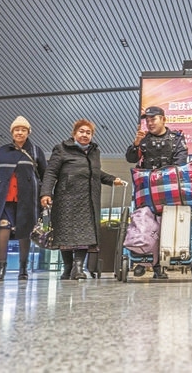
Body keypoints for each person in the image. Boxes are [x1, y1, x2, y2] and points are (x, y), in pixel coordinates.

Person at [40, 119, 126, 280]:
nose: (85, 135)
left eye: (88, 132)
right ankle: (68, 267)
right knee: (65, 233)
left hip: (88, 199)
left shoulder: (94, 152)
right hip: (66, 198)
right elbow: (51, 172)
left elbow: (96, 173)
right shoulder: (61, 149)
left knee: (86, 233)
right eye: (81, 131)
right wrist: (46, 193)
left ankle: (78, 267)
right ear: (74, 133)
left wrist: (112, 179)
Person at [0, 116, 47, 282]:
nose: (19, 132)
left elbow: (45, 176)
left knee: (25, 231)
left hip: (27, 199)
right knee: (3, 229)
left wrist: (46, 195)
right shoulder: (2, 151)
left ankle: (23, 269)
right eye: (17, 130)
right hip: (3, 199)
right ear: (12, 132)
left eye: (23, 130)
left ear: (28, 132)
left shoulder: (36, 151)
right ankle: (1, 269)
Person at [125, 105, 188, 279]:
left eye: (153, 119)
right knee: (143, 221)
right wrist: (135, 144)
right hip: (146, 189)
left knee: (166, 224)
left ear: (163, 119)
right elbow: (131, 158)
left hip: (169, 189)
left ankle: (158, 265)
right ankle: (143, 260)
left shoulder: (176, 139)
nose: (150, 123)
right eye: (147, 120)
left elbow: (181, 161)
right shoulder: (143, 139)